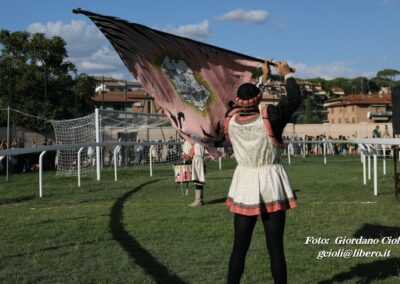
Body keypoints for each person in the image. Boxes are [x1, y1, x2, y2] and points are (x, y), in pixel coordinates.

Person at [224, 60, 302, 284]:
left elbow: (246, 102)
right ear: (258, 99)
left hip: (244, 182)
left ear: (238, 101)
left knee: (239, 247)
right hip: (271, 180)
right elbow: (294, 99)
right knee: (275, 248)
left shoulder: (230, 120)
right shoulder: (271, 116)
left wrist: (263, 79)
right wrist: (286, 74)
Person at [181, 139, 206, 206]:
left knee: (198, 181)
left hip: (197, 160)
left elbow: (189, 155)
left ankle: (198, 201)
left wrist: (186, 156)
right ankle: (199, 200)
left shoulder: (194, 142)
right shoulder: (199, 141)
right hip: (199, 160)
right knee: (199, 181)